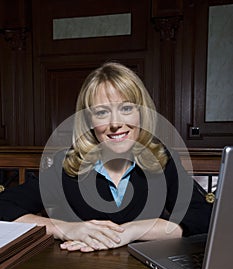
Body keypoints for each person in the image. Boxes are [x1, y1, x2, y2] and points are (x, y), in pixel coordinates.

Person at [0, 62, 213, 252]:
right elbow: (5, 206)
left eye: (127, 108)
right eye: (102, 112)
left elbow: (203, 216)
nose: (115, 123)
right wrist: (66, 229)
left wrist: (133, 230)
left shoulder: (163, 161)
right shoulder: (66, 166)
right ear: (89, 121)